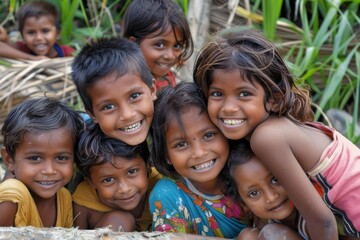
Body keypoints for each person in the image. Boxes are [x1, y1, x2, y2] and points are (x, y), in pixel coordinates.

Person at [193, 29, 360, 239]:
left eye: (244, 94)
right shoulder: (284, 127)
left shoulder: (267, 138)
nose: (228, 108)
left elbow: (323, 222)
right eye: (217, 94)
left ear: (274, 99)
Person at [149, 82, 248, 238]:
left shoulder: (247, 170)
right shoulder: (169, 195)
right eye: (181, 144)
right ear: (166, 154)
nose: (199, 152)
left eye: (208, 135)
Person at [0, 96, 84, 227]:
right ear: (9, 159)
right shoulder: (13, 196)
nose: (49, 170)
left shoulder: (63, 197)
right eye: (35, 158)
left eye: (61, 158)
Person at [72, 123, 161, 231]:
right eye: (108, 180)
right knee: (120, 220)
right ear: (90, 181)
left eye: (132, 171)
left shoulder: (162, 187)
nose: (124, 189)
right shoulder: (84, 200)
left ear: (148, 166)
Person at [71, 37, 157, 146]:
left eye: (134, 96)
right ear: (92, 114)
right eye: (108, 107)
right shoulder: (89, 152)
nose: (127, 115)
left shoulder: (173, 125)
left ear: (152, 90)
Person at [226, 140, 303, 240]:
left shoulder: (316, 215)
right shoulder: (262, 226)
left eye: (275, 179)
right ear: (244, 204)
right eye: (254, 193)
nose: (271, 197)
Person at [122, 0, 193, 90]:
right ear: (133, 44)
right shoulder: (127, 87)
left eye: (177, 46)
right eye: (159, 45)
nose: (170, 56)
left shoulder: (168, 78)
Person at [0, 1, 74, 60]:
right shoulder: (23, 49)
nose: (39, 37)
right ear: (22, 36)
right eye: (31, 32)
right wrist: (32, 58)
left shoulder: (67, 53)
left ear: (57, 34)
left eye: (45, 31)